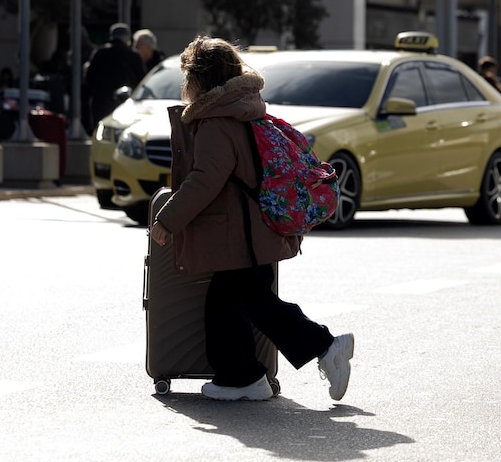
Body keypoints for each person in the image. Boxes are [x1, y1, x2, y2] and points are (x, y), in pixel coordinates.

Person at [149, 36, 355, 402]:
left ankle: (323, 346)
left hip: (240, 234)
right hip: (254, 228)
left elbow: (205, 179)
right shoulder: (245, 109)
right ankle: (244, 377)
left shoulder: (216, 121)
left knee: (249, 304)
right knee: (233, 304)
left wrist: (168, 220)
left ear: (199, 79)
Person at [82, 23, 146, 132]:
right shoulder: (133, 55)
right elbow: (142, 80)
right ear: (127, 38)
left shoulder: (100, 53)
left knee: (101, 133)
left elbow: (89, 78)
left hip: (101, 102)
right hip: (126, 102)